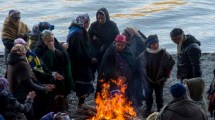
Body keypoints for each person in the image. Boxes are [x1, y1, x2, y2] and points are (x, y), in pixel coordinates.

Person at [7, 44, 54, 120]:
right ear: (23, 53)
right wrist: (44, 88)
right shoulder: (22, 64)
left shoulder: (11, 62)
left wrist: (43, 85)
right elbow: (30, 84)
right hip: (23, 96)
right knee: (30, 116)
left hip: (14, 94)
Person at [137, 35, 175, 116]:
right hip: (148, 80)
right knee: (148, 94)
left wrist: (166, 76)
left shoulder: (163, 53)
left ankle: (160, 109)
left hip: (160, 80)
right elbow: (139, 63)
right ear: (149, 45)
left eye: (157, 43)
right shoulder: (145, 54)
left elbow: (170, 63)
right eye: (153, 44)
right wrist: (143, 77)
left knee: (159, 95)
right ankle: (148, 108)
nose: (155, 45)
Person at [67, 13, 96, 108]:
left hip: (79, 64)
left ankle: (81, 103)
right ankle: (81, 103)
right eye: (88, 22)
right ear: (84, 22)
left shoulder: (75, 31)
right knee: (85, 84)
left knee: (83, 84)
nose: (88, 25)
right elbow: (79, 53)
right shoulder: (77, 35)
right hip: (80, 65)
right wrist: (89, 59)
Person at [97, 34, 136, 101]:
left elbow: (132, 66)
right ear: (115, 43)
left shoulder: (129, 53)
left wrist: (126, 77)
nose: (120, 47)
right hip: (112, 79)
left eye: (122, 45)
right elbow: (108, 67)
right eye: (118, 45)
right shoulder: (110, 53)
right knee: (113, 95)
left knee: (126, 96)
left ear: (125, 44)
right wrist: (118, 76)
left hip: (126, 78)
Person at [88, 7, 119, 78]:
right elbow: (88, 37)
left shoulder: (112, 25)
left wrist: (106, 46)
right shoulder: (94, 25)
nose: (100, 20)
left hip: (108, 48)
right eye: (98, 18)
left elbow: (117, 38)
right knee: (93, 67)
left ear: (106, 17)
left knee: (105, 68)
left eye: (102, 18)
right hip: (96, 49)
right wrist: (94, 41)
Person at [122, 26, 147, 108]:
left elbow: (138, 53)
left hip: (137, 67)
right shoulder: (129, 40)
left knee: (137, 85)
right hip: (131, 67)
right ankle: (131, 101)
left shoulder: (137, 41)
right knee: (130, 85)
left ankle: (138, 103)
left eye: (125, 34)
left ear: (130, 35)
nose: (123, 35)